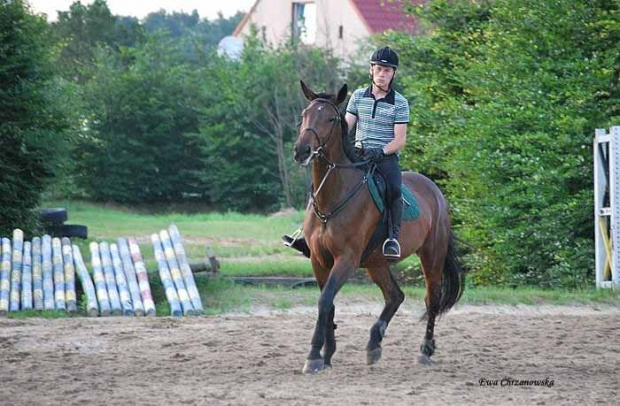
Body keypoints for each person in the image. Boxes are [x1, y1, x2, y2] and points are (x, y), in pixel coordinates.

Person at [284, 46, 410, 259]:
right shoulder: (358, 96)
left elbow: (400, 140)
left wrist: (380, 151)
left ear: (393, 73)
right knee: (321, 183)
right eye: (379, 69)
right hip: (358, 154)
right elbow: (345, 128)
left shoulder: (400, 103)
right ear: (371, 70)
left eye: (387, 70)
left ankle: (392, 238)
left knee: (394, 189)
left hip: (385, 158)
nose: (382, 74)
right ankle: (307, 234)